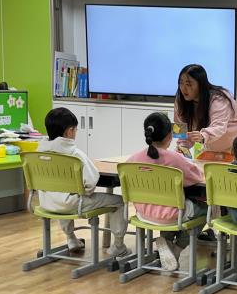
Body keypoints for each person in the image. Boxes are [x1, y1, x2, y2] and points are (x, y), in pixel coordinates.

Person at [37, 108, 130, 257]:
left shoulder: (39, 153)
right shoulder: (74, 154)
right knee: (119, 201)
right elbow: (91, 181)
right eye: (75, 130)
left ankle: (71, 238)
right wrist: (84, 192)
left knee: (61, 194)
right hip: (72, 204)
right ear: (69, 131)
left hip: (47, 202)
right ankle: (118, 245)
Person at [127, 112, 207, 271]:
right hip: (171, 216)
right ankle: (176, 248)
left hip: (143, 214)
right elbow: (197, 177)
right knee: (207, 210)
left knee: (168, 207)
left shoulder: (133, 160)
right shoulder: (176, 159)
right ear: (170, 136)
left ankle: (166, 243)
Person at [174, 64, 237, 154]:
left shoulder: (218, 98)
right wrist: (181, 147)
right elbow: (181, 129)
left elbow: (218, 126)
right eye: (181, 83)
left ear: (201, 85)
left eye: (188, 84)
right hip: (213, 143)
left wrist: (203, 136)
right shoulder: (180, 101)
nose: (183, 88)